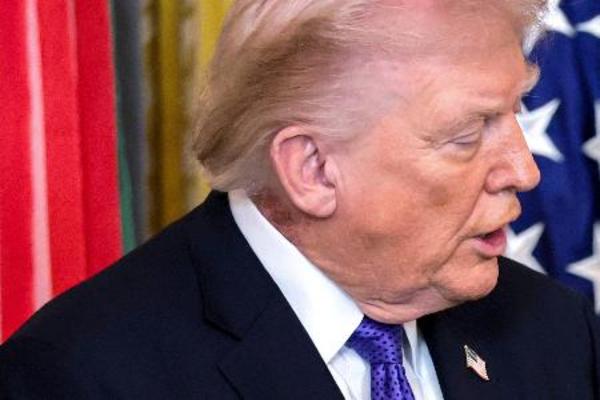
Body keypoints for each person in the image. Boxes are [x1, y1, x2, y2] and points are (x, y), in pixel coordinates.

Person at [2, 0, 599, 398]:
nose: (523, 171)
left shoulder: (554, 329)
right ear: (312, 170)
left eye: (515, 113)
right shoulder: (79, 377)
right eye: (468, 135)